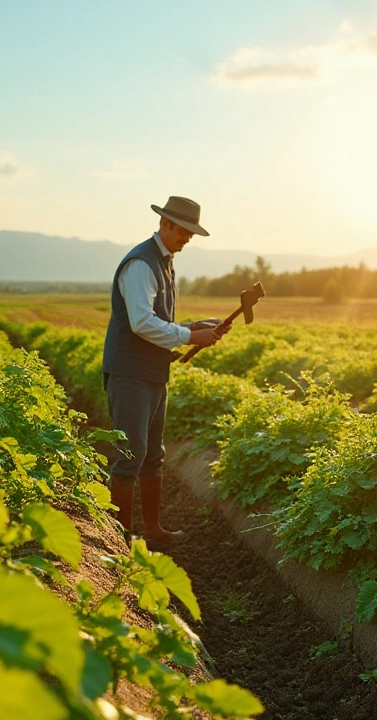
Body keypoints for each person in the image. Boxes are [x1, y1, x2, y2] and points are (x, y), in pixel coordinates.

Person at [102, 196, 228, 543]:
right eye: (184, 231)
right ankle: (121, 540)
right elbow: (142, 323)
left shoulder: (166, 262)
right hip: (129, 373)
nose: (187, 238)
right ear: (165, 224)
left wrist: (194, 325)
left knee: (153, 455)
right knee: (130, 455)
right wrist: (189, 335)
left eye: (191, 233)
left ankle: (153, 530)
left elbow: (159, 320)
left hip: (154, 374)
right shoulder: (142, 263)